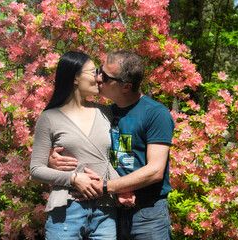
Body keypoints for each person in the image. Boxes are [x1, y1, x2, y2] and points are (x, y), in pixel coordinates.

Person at [49, 50, 175, 240]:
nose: (98, 78)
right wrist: (54, 159)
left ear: (126, 87)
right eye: (99, 71)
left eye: (106, 77)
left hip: (147, 214)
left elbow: (155, 171)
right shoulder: (106, 112)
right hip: (111, 211)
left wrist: (106, 186)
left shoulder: (156, 114)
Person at [30, 51, 134, 240]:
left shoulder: (106, 113)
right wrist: (74, 178)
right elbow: (36, 170)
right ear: (75, 78)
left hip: (105, 213)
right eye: (94, 72)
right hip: (66, 210)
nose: (99, 78)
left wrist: (122, 188)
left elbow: (107, 160)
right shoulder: (49, 118)